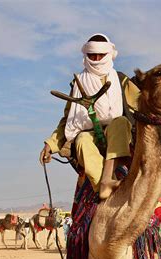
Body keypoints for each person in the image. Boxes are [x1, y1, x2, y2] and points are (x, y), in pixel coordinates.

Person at [39, 34, 140, 199]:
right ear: (87, 56)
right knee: (82, 140)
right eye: (93, 55)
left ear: (109, 54)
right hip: (89, 135)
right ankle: (104, 186)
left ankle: (112, 171)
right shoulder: (78, 84)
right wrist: (50, 145)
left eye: (101, 55)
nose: (97, 59)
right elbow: (68, 120)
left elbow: (142, 104)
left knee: (120, 122)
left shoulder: (121, 80)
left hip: (118, 136)